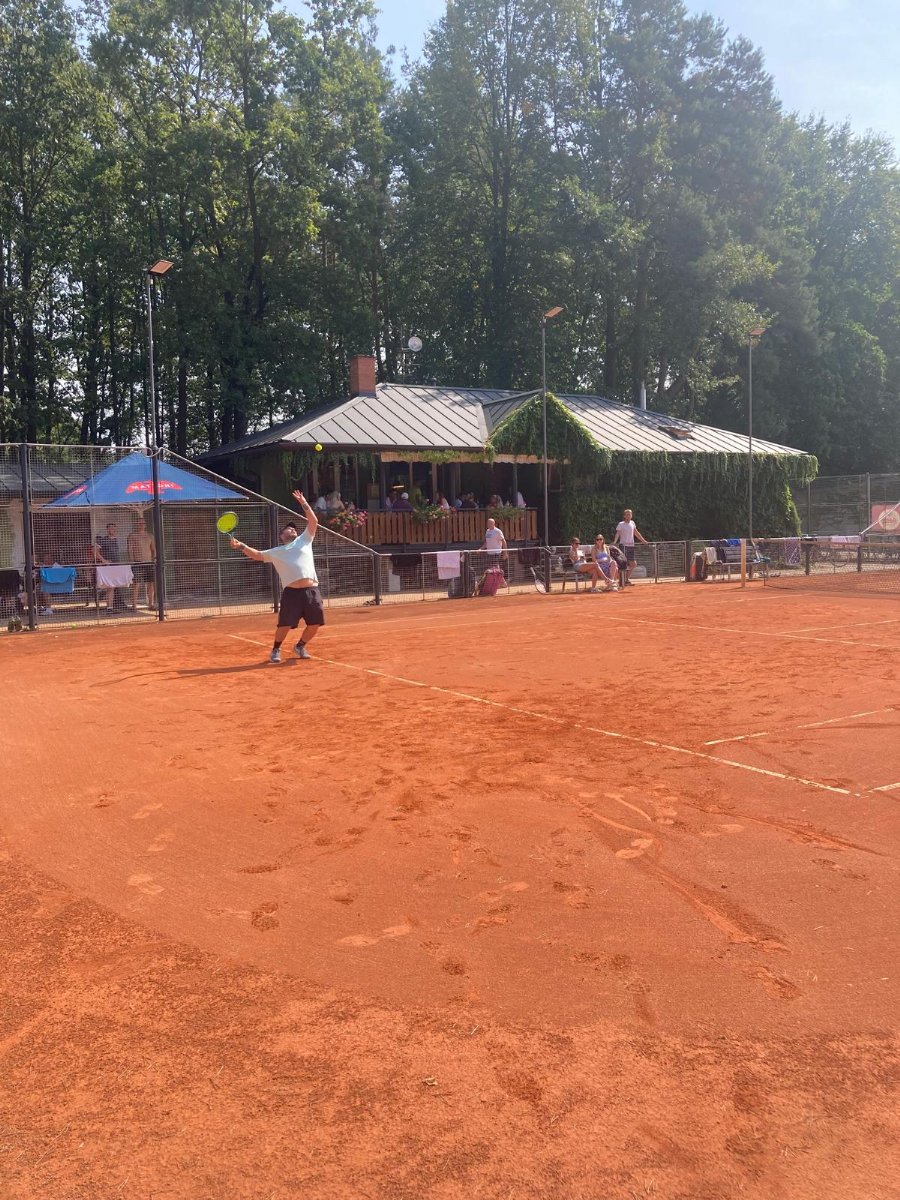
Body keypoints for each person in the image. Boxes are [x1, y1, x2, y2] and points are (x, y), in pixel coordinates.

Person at [231, 490, 323, 663]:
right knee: (285, 624)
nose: (293, 529)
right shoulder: (276, 552)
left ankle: (300, 646)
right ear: (282, 536)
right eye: (289, 528)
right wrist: (241, 546)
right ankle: (275, 649)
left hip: (312, 591)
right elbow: (257, 555)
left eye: (294, 528)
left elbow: (313, 521)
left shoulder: (305, 540)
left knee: (315, 624)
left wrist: (303, 502)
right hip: (292, 593)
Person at [94, 522, 126, 612]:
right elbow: (95, 552)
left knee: (114, 586)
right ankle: (109, 607)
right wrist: (104, 560)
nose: (113, 530)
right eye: (111, 528)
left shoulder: (116, 540)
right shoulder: (103, 540)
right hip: (108, 567)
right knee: (110, 587)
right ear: (107, 530)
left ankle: (113, 606)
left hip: (117, 566)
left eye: (114, 528)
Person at [127, 515, 156, 611]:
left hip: (149, 563)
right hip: (137, 563)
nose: (141, 525)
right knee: (136, 584)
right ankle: (134, 605)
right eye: (139, 523)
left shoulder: (150, 536)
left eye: (143, 523)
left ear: (145, 525)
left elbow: (153, 549)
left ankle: (151, 604)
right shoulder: (132, 535)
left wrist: (154, 559)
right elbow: (130, 549)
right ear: (136, 524)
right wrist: (132, 561)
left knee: (151, 584)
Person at [613, 508, 648, 586]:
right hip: (623, 546)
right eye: (627, 514)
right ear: (624, 516)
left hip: (631, 546)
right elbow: (618, 534)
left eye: (630, 514)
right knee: (623, 564)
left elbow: (636, 533)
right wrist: (615, 542)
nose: (628, 516)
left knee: (633, 564)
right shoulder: (621, 524)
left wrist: (643, 541)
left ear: (631, 515)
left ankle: (625, 580)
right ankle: (622, 581)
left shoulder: (632, 523)